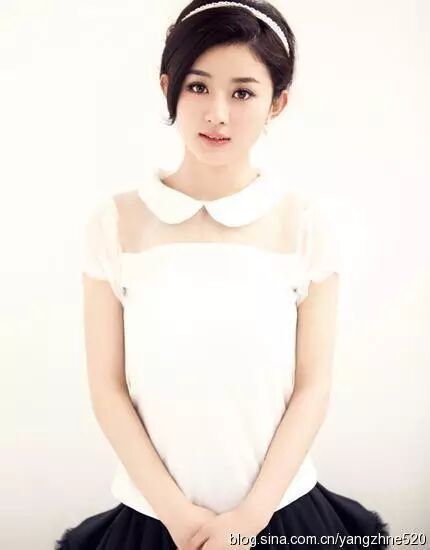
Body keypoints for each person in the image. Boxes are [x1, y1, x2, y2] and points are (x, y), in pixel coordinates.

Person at [56, 1, 391, 548]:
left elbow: (312, 387)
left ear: (277, 102)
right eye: (198, 87)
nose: (217, 114)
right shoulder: (115, 222)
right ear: (168, 87)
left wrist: (250, 517)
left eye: (242, 93)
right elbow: (107, 388)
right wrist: (179, 517)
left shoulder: (305, 223)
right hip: (155, 516)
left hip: (278, 512)